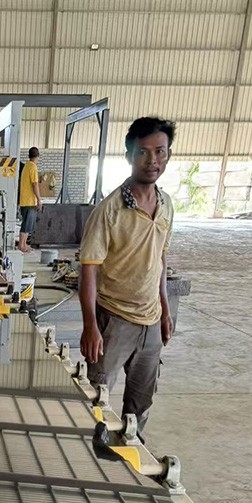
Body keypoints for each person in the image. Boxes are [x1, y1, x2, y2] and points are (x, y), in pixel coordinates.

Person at [78, 117, 176, 434]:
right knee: (96, 397)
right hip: (113, 320)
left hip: (151, 323)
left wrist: (164, 310)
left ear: (168, 155)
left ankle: (132, 453)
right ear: (129, 156)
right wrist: (90, 326)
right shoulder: (109, 211)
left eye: (160, 152)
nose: (152, 161)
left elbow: (160, 259)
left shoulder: (166, 205)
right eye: (143, 152)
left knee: (140, 402)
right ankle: (92, 453)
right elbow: (88, 270)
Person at [18, 146, 41, 252]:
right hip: (29, 201)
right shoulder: (33, 167)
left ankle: (23, 245)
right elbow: (34, 184)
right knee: (27, 224)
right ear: (38, 156)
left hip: (24, 200)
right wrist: (39, 199)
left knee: (26, 223)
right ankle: (22, 245)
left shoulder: (26, 166)